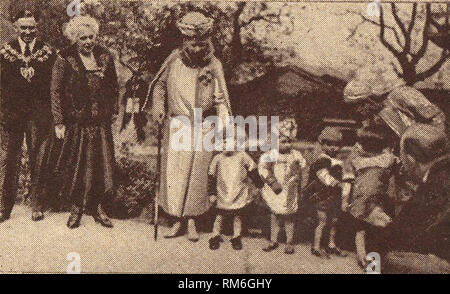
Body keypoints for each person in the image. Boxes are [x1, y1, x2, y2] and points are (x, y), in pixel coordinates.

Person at [141, 11, 232, 241]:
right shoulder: (174, 59)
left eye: (202, 44)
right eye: (193, 44)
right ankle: (176, 220)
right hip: (178, 125)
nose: (198, 49)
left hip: (204, 126)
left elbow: (221, 98)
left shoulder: (214, 64)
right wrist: (159, 107)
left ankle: (192, 221)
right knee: (177, 173)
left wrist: (224, 126)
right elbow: (159, 86)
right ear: (185, 41)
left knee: (198, 174)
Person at [48, 15, 119, 228]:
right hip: (76, 123)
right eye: (83, 39)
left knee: (101, 166)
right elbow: (56, 91)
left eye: (91, 37)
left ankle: (98, 208)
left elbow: (114, 87)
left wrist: (113, 111)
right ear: (75, 40)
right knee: (77, 166)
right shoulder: (64, 59)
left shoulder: (105, 57)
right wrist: (59, 121)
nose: (88, 42)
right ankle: (76, 209)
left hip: (100, 123)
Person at [0, 10, 56, 222]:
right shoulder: (4, 53)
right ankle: (4, 208)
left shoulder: (48, 54)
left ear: (36, 29)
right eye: (23, 28)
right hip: (11, 116)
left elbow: (55, 86)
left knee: (38, 160)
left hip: (38, 116)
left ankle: (37, 206)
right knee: (8, 159)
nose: (27, 32)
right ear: (16, 29)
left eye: (31, 28)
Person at [342, 127, 398, 268]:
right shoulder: (387, 160)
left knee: (363, 229)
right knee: (370, 228)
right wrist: (344, 199)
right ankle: (368, 260)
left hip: (368, 199)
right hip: (370, 199)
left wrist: (345, 199)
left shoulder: (356, 159)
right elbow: (348, 181)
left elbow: (348, 181)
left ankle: (367, 259)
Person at [207, 135, 264, 250]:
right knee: (220, 214)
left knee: (237, 215)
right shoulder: (217, 158)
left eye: (228, 142)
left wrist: (259, 185)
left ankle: (236, 236)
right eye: (222, 143)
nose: (225, 145)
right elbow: (211, 176)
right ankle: (215, 235)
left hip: (238, 191)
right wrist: (212, 193)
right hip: (222, 192)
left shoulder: (242, 156)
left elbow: (252, 170)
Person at [258, 119, 306, 254]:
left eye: (290, 141)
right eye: (283, 141)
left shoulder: (295, 155)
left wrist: (300, 178)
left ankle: (289, 241)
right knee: (275, 215)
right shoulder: (272, 155)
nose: (287, 145)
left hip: (290, 189)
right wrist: (272, 181)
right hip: (276, 189)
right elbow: (263, 169)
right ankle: (274, 240)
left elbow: (303, 167)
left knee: (289, 216)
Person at [307, 127, 347, 259]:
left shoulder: (339, 161)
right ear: (322, 144)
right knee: (322, 221)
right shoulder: (322, 160)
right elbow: (323, 176)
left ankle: (331, 243)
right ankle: (316, 246)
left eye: (336, 145)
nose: (333, 148)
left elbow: (345, 174)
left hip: (335, 196)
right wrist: (338, 183)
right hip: (322, 195)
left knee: (334, 221)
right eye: (329, 144)